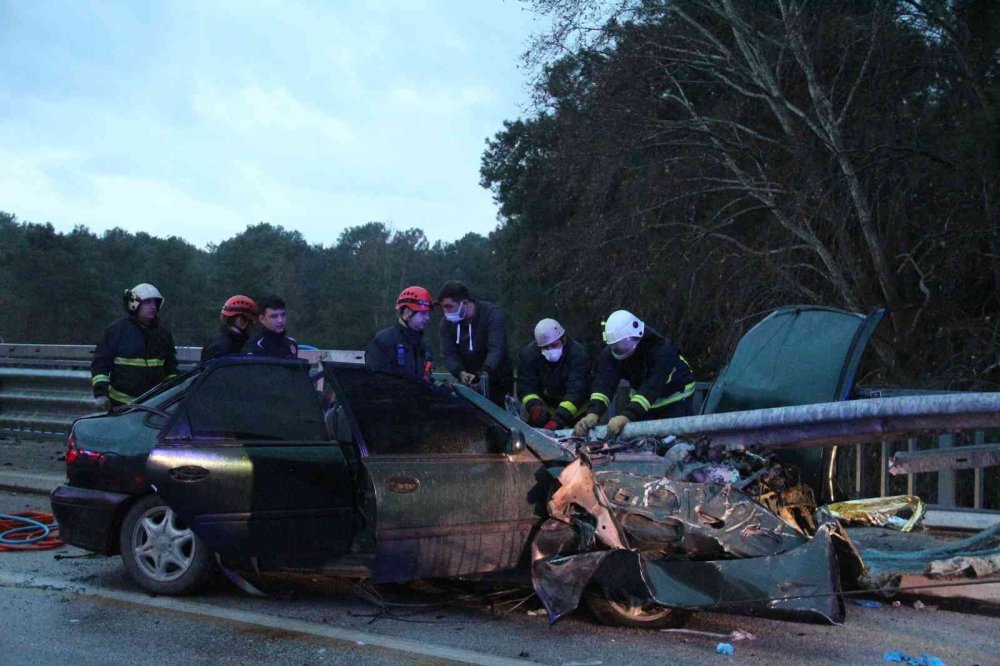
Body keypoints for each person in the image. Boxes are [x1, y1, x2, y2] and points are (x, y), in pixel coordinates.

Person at [573, 310, 695, 438]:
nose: (622, 349)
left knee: (675, 440)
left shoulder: (662, 350)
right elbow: (604, 383)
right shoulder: (610, 354)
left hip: (676, 395)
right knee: (643, 443)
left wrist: (628, 415)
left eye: (626, 342)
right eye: (616, 346)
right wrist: (593, 412)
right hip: (643, 399)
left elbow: (652, 386)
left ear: (638, 334)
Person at [91, 283, 178, 410]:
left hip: (155, 405)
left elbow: (170, 368)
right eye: (148, 302)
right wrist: (101, 394)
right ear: (134, 304)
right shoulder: (116, 331)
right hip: (121, 405)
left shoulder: (163, 335)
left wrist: (173, 393)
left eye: (155, 302)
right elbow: (101, 365)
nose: (153, 306)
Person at [437, 280, 512, 405]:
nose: (446, 312)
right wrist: (460, 372)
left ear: (464, 303)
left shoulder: (492, 314)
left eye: (449, 307)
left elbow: (497, 347)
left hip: (498, 382)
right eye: (444, 307)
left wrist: (483, 373)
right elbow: (448, 354)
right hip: (467, 384)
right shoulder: (446, 324)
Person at [518, 318, 590, 430]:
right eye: (545, 347)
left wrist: (557, 421)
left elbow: (576, 390)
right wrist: (533, 405)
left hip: (577, 410)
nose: (550, 350)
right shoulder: (529, 355)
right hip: (548, 408)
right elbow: (526, 386)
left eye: (554, 345)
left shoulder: (578, 355)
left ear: (564, 339)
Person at [365, 286, 434, 381]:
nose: (427, 318)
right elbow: (375, 381)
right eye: (423, 313)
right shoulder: (383, 341)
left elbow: (424, 380)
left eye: (428, 313)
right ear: (407, 313)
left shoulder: (423, 346)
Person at [201, 295, 258, 361]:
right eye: (252, 321)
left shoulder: (217, 342)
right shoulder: (226, 347)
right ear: (240, 321)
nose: (254, 326)